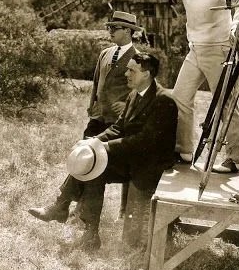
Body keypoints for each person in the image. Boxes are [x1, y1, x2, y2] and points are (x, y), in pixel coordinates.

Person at [111, 0, 239, 173]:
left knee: (225, 103)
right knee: (179, 99)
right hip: (195, 49)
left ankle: (233, 158)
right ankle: (184, 151)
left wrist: (236, 26)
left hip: (218, 49)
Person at [28, 53, 178, 251]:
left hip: (150, 165)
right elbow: (118, 128)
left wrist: (104, 147)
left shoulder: (164, 100)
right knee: (91, 162)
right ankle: (87, 230)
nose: (126, 74)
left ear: (146, 74)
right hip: (132, 157)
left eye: (132, 70)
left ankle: (61, 207)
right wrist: (93, 141)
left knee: (96, 157)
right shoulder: (134, 95)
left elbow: (145, 141)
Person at [84, 11, 140, 138]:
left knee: (107, 150)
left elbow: (143, 92)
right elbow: (96, 83)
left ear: (127, 31)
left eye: (115, 28)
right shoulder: (104, 53)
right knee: (85, 147)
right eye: (109, 27)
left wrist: (128, 107)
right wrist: (92, 106)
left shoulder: (138, 58)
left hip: (118, 122)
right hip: (97, 117)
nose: (110, 31)